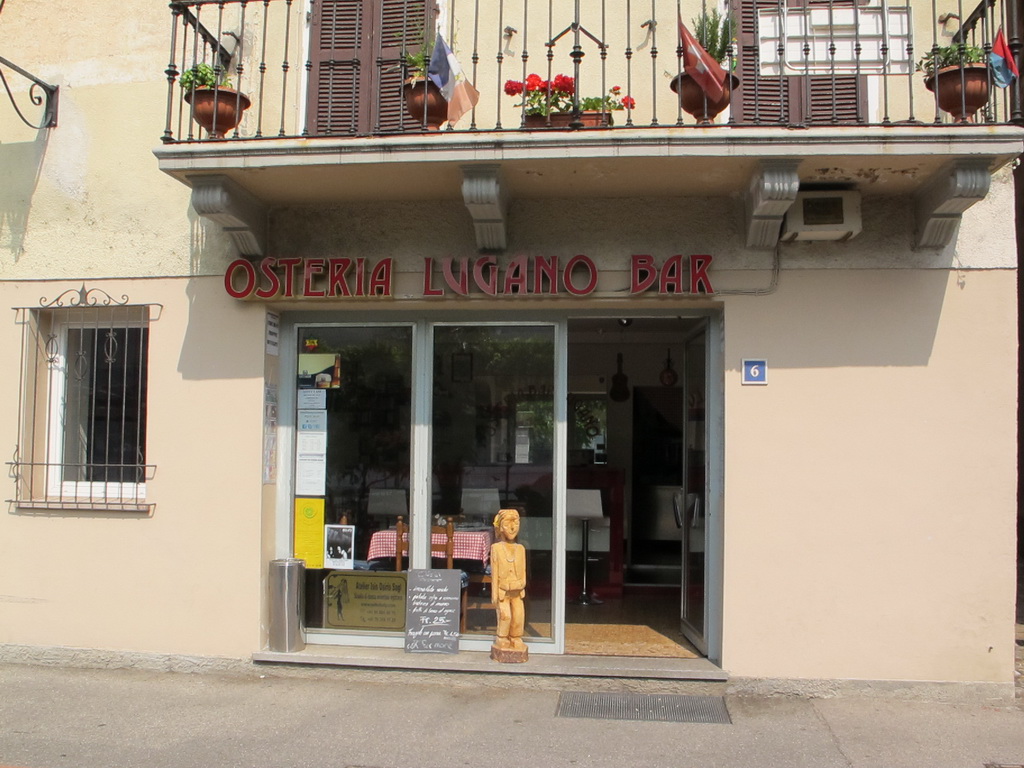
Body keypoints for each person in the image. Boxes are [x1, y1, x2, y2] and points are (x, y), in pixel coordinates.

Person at [490, 508, 527, 658]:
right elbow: (494, 574)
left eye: (516, 524)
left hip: (517, 591)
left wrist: (521, 583)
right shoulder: (496, 548)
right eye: (507, 524)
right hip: (502, 591)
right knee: (505, 615)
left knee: (518, 615)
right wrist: (494, 594)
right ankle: (502, 637)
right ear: (499, 527)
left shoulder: (520, 549)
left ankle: (516, 637)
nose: (512, 528)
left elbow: (523, 570)